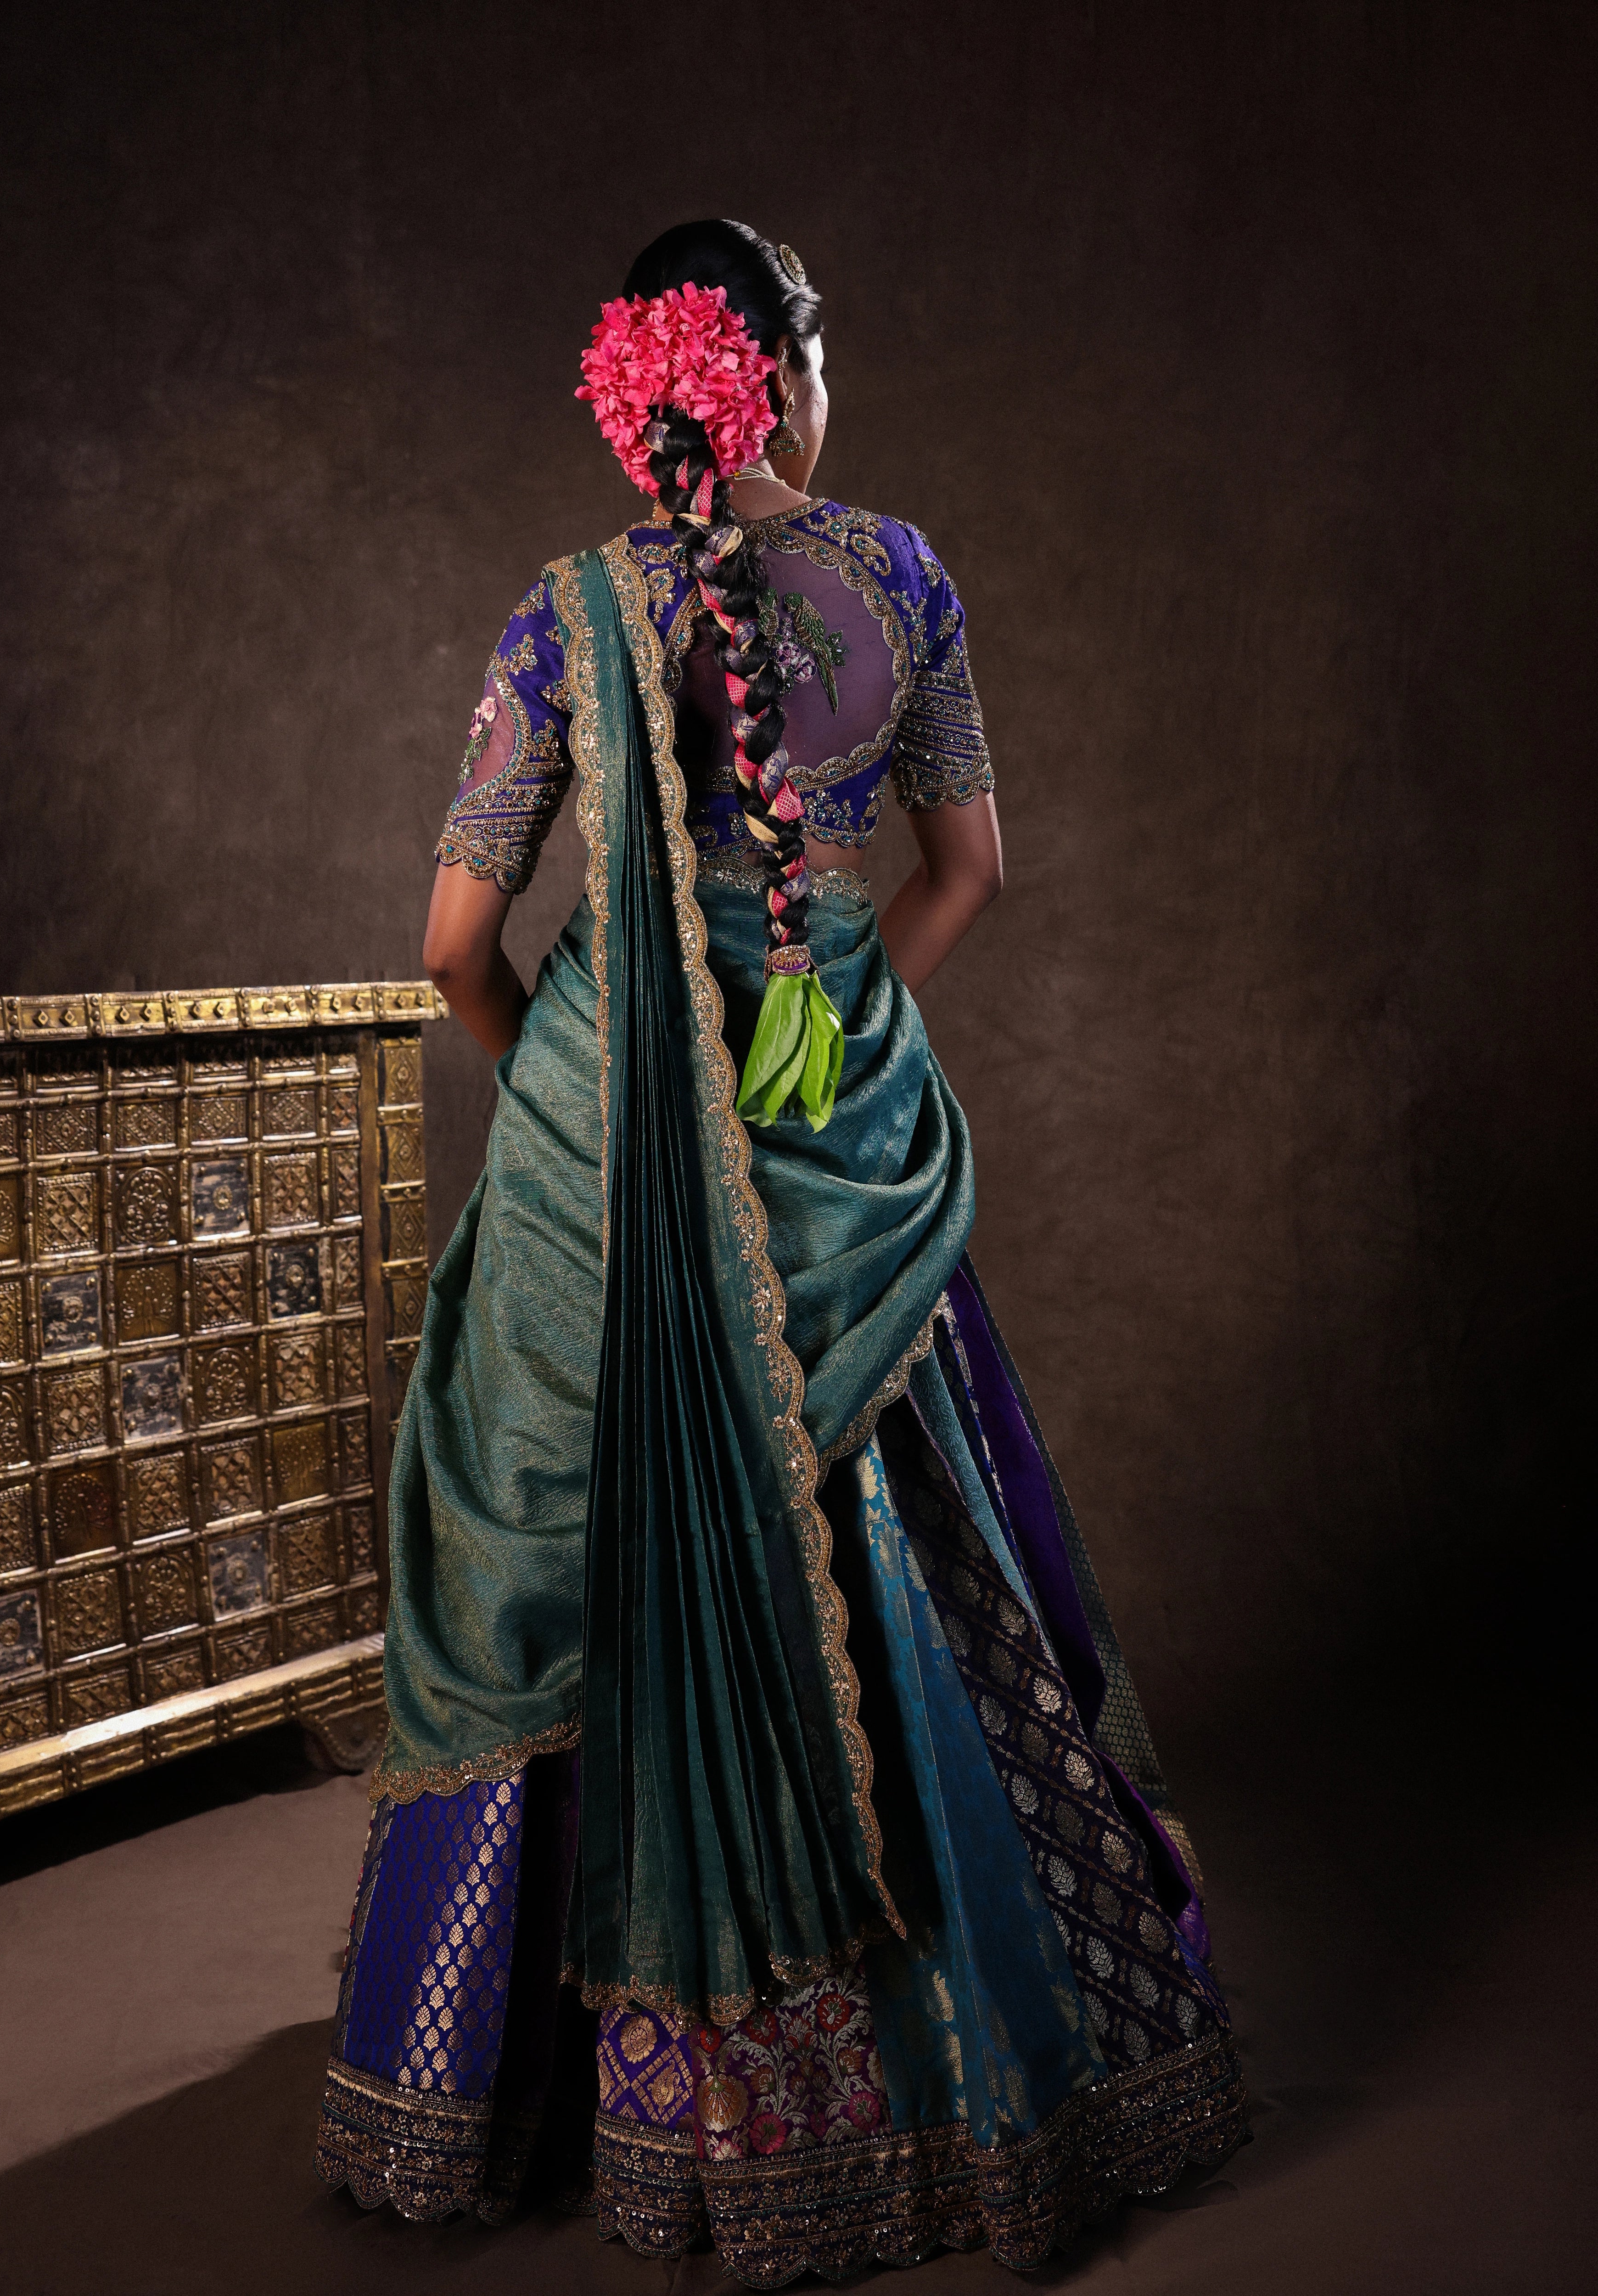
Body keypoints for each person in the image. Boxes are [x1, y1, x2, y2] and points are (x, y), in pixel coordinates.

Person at [314, 219, 1246, 2279]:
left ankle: (495, 2092)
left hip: (596, 1152)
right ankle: (961, 2080)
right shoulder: (902, 580)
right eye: (826, 349)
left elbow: (457, 946)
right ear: (784, 377)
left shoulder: (560, 617)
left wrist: (592, 1077)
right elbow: (967, 869)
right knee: (893, 1537)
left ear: (644, 387)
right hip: (846, 1126)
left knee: (545, 1552)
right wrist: (836, 1022)